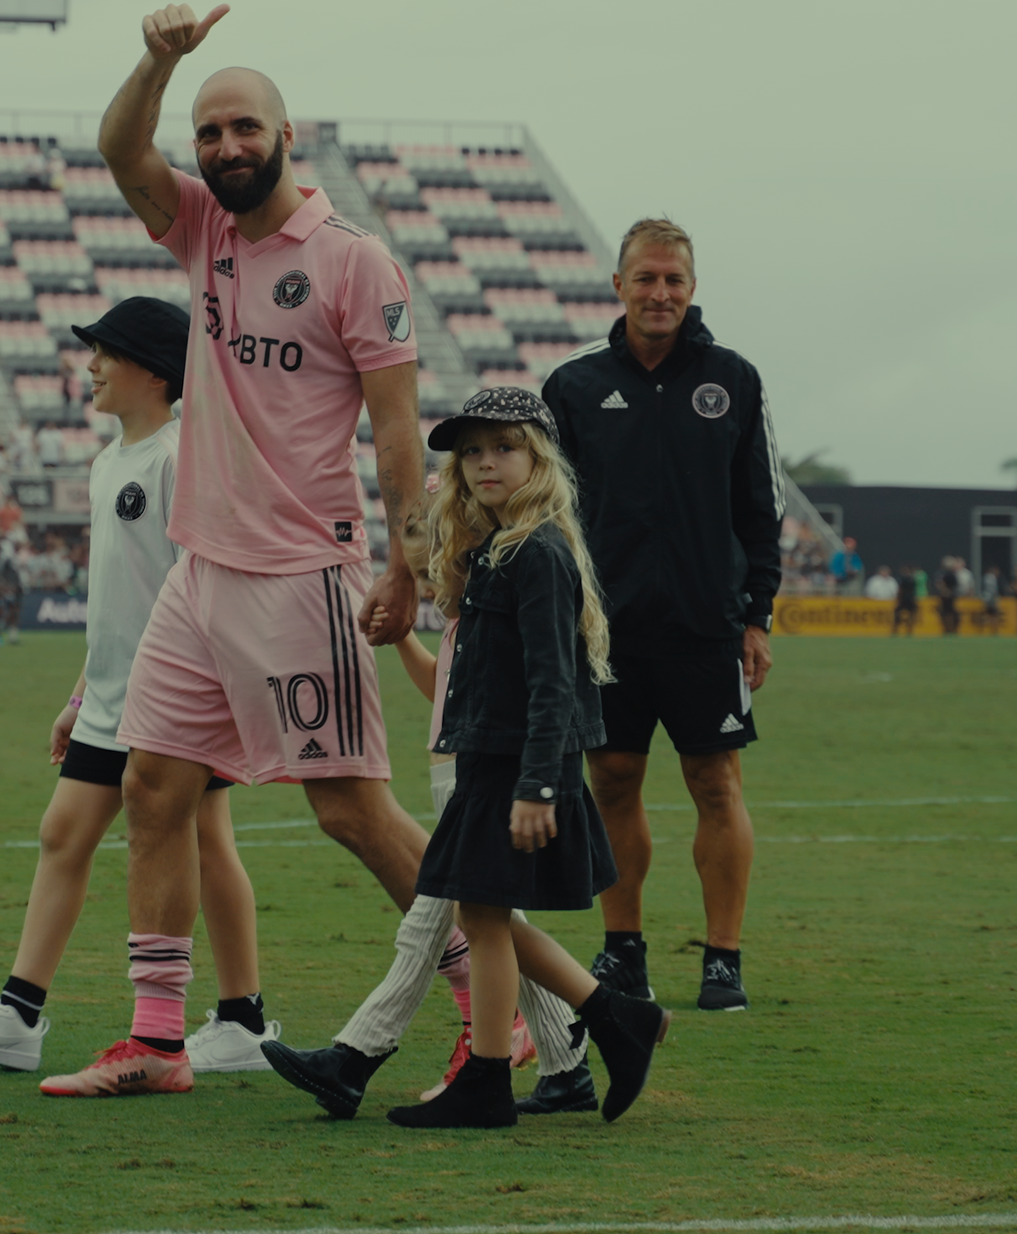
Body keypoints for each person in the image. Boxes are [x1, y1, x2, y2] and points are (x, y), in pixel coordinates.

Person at [36, 3, 429, 1098]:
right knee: (154, 787)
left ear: (286, 134)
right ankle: (157, 1041)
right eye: (210, 133)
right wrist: (159, 62)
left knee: (351, 811)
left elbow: (396, 430)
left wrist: (407, 565)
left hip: (302, 573)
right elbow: (120, 149)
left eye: (243, 128)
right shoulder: (203, 228)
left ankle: (502, 1002)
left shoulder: (355, 263)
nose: (224, 148)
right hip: (200, 568)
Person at [0, 298, 281, 1076]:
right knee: (67, 834)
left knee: (206, 845)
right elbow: (117, 596)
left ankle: (240, 1019)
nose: (90, 368)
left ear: (153, 369)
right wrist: (82, 692)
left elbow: (207, 581)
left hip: (179, 693)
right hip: (113, 696)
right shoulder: (108, 461)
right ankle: (19, 1015)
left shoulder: (183, 457)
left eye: (105, 353)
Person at [262, 450, 592, 1121]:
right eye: (420, 534)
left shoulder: (503, 579)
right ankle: (573, 1058)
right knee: (495, 924)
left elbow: (537, 687)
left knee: (433, 924)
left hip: (474, 776)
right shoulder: (469, 598)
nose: (426, 549)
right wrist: (407, 643)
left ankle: (356, 1054)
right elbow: (444, 693)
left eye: (438, 530)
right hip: (458, 769)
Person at [381, 390, 667, 1127]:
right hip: (486, 761)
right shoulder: (497, 549)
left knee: (483, 918)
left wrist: (539, 785)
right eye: (471, 452)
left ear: (538, 458)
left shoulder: (536, 551)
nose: (484, 463)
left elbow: (554, 680)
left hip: (515, 768)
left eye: (503, 447)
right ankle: (611, 1018)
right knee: (482, 918)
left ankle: (491, 1076)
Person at [540, 217, 780, 1013]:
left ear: (692, 288)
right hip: (603, 633)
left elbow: (760, 510)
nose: (660, 293)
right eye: (645, 278)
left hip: (707, 628)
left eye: (674, 280)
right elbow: (548, 511)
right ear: (618, 286)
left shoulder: (734, 381)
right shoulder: (572, 387)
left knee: (717, 783)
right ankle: (624, 951)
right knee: (611, 781)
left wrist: (758, 618)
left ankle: (723, 960)